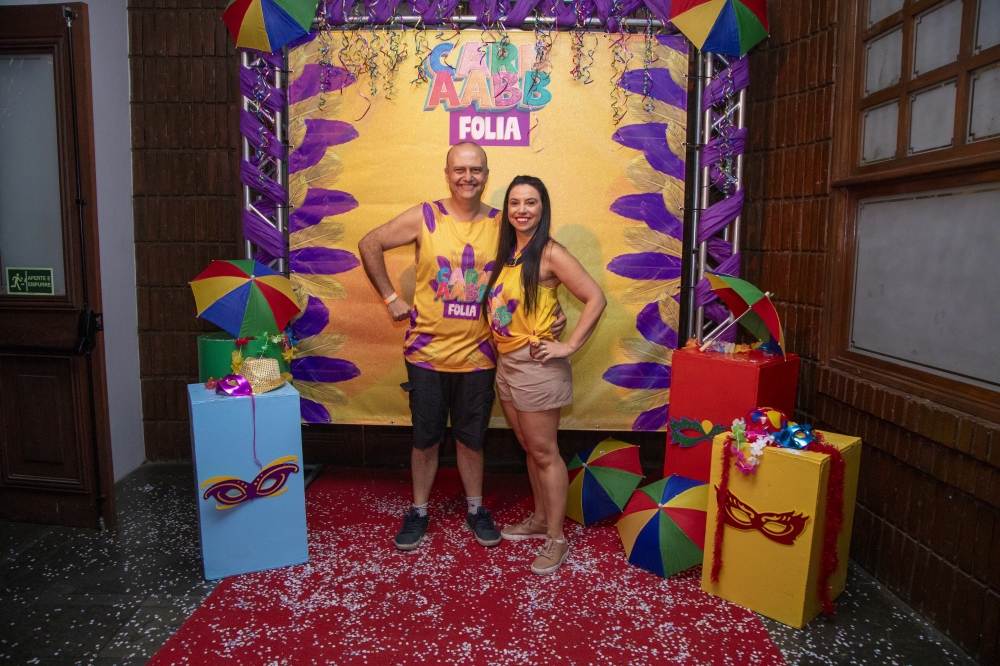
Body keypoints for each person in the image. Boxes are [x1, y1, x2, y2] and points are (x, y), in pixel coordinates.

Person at [358, 143, 565, 552]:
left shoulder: (503, 223)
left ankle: (475, 509)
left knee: (472, 439)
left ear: (486, 174)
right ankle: (419, 511)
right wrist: (389, 297)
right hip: (426, 354)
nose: (467, 177)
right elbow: (369, 243)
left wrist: (553, 313)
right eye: (459, 169)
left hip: (480, 355)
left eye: (475, 170)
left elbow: (541, 268)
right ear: (447, 173)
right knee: (425, 439)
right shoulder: (425, 216)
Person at [485, 175, 606, 575]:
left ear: (543, 208)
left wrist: (568, 346)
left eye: (531, 202)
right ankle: (540, 520)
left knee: (544, 452)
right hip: (508, 363)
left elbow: (595, 297)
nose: (522, 210)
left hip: (537, 366)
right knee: (528, 446)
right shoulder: (510, 253)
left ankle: (557, 538)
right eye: (515, 202)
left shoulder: (551, 253)